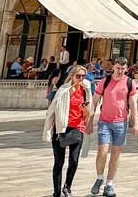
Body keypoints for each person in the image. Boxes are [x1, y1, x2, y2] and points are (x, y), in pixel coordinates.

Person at [90, 57, 138, 197]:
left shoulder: (129, 83)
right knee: (103, 151)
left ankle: (109, 184)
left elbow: (133, 104)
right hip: (104, 121)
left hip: (120, 123)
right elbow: (94, 101)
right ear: (113, 67)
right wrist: (89, 121)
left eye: (123, 69)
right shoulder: (105, 82)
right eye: (118, 68)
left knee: (116, 153)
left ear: (126, 68)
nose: (120, 71)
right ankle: (99, 178)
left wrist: (136, 123)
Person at [43, 64, 92, 197]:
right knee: (59, 162)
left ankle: (67, 187)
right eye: (78, 76)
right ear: (72, 76)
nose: (81, 78)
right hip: (62, 128)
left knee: (74, 161)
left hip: (78, 127)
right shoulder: (64, 90)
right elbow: (53, 108)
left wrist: (85, 110)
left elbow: (88, 113)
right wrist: (48, 129)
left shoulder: (85, 90)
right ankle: (56, 191)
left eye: (83, 76)